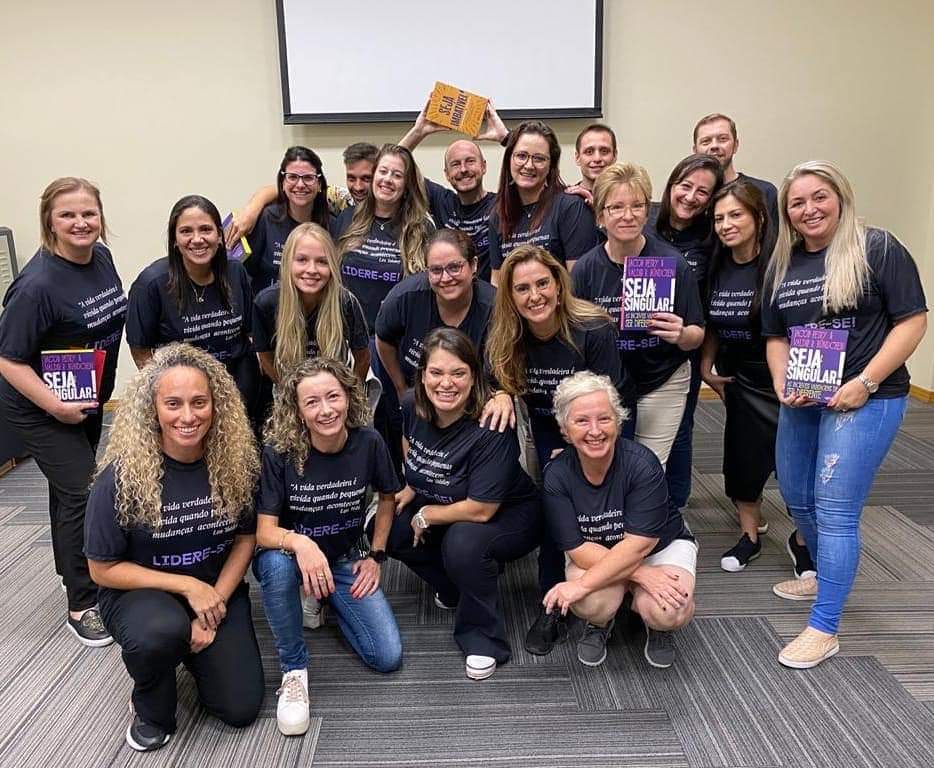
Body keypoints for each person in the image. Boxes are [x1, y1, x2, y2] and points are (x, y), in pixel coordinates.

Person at [761, 161, 927, 668]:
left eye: (819, 197)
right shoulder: (784, 263)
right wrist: (782, 382)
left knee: (836, 511)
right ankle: (823, 576)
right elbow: (776, 335)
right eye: (797, 202)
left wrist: (865, 382)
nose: (809, 209)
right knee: (796, 495)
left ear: (840, 198)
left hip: (867, 399)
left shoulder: (877, 248)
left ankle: (824, 626)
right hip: (805, 398)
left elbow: (912, 321)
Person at [85, 343, 264, 752]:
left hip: (215, 591)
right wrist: (187, 586)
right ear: (153, 408)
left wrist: (213, 603)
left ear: (216, 405)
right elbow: (101, 569)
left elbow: (245, 538)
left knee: (239, 707)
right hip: (141, 596)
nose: (188, 416)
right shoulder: (121, 477)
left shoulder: (234, 464)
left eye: (199, 402)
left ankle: (182, 646)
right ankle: (150, 704)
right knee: (159, 634)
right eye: (173, 403)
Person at [0, 177, 127, 647]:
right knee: (83, 491)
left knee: (67, 489)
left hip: (82, 397)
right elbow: (8, 359)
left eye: (88, 213)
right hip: (39, 406)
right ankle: (82, 603)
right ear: (49, 222)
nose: (80, 223)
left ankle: (66, 568)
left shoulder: (101, 258)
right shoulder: (36, 286)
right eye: (67, 215)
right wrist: (54, 405)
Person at [486, 245, 623, 656]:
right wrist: (500, 393)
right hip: (547, 431)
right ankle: (554, 603)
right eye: (522, 288)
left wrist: (579, 450)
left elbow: (612, 403)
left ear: (559, 285)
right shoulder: (507, 334)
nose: (535, 296)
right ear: (510, 297)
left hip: (599, 431)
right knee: (554, 510)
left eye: (543, 283)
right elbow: (494, 376)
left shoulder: (593, 329)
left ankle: (611, 596)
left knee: (597, 510)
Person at [254, 357, 403, 735]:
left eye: (333, 397)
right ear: (298, 411)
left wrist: (376, 556)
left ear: (349, 397)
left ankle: (323, 595)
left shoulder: (368, 441)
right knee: (275, 567)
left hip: (344, 557)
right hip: (289, 556)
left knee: (386, 656)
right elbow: (264, 532)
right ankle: (294, 670)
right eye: (312, 402)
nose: (325, 410)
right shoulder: (279, 451)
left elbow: (388, 497)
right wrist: (301, 544)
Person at [384, 328, 539, 680]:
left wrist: (426, 514)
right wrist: (412, 484)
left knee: (463, 542)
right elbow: (409, 442)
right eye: (436, 372)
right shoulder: (410, 404)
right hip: (448, 498)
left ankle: (483, 638)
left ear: (473, 377)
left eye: (458, 373)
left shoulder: (491, 423)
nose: (446, 383)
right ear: (422, 375)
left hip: (510, 513)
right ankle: (457, 585)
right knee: (389, 524)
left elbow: (481, 509)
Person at [542, 371, 697, 669]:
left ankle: (656, 625)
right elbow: (577, 548)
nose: (595, 431)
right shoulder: (557, 475)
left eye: (604, 418)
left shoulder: (643, 464)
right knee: (590, 602)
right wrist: (641, 575)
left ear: (618, 421)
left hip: (658, 547)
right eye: (581, 421)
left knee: (669, 610)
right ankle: (601, 622)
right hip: (596, 550)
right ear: (565, 429)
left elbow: (639, 546)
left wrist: (590, 582)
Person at [701, 180, 811, 573]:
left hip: (787, 379)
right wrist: (706, 366)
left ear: (759, 218)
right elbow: (712, 324)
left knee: (797, 465)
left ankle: (802, 540)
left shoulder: (785, 266)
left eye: (735, 215)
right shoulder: (717, 266)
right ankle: (749, 536)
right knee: (743, 463)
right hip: (741, 381)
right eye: (719, 219)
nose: (726, 225)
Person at [573, 163, 705, 466]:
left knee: (648, 466)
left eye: (637, 205)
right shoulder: (585, 269)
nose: (628, 215)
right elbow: (574, 334)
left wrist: (681, 334)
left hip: (662, 377)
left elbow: (697, 334)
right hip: (607, 382)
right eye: (616, 207)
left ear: (647, 212)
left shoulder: (673, 263)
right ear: (601, 216)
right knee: (608, 463)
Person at [126, 195, 258, 414]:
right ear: (174, 240)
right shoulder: (151, 283)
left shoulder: (235, 271)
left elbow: (251, 331)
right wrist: (164, 392)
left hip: (239, 388)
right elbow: (140, 350)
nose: (197, 239)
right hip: (184, 395)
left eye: (206, 229)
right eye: (186, 231)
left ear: (219, 235)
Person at [650, 154, 723, 510]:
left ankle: (676, 505)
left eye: (703, 192)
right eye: (685, 186)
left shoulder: (712, 239)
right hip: (634, 346)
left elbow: (711, 309)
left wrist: (705, 360)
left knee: (680, 428)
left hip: (685, 349)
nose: (691, 197)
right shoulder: (644, 221)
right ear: (671, 185)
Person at [376, 228, 495, 400]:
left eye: (455, 267)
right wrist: (401, 388)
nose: (445, 278)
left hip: (477, 400)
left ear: (474, 264)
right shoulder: (405, 297)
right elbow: (383, 337)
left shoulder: (494, 307)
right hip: (418, 396)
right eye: (436, 270)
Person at [399, 100, 509, 281]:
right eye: (456, 164)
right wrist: (418, 132)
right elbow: (395, 166)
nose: (463, 169)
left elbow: (532, 168)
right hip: (448, 288)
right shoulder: (441, 200)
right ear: (447, 174)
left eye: (470, 161)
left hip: (490, 293)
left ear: (483, 166)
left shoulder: (502, 203)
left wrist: (505, 138)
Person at [253, 223, 370, 385]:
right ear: (287, 262)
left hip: (336, 387)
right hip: (288, 387)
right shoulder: (266, 303)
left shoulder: (345, 302)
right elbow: (265, 356)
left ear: (332, 266)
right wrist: (288, 390)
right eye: (302, 260)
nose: (312, 269)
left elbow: (363, 357)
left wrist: (350, 394)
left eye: (322, 261)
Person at [489, 121, 600, 285]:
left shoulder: (570, 207)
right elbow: (497, 282)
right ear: (509, 159)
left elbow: (579, 284)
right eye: (521, 156)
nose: (529, 165)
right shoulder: (499, 215)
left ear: (551, 165)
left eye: (539, 159)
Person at [224, 143, 377, 257]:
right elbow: (287, 191)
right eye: (351, 178)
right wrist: (251, 210)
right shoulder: (267, 219)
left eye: (366, 178)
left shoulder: (336, 218)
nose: (358, 186)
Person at [693, 113, 779, 256]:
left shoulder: (764, 192)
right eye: (706, 141)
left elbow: (777, 248)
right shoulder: (691, 199)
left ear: (735, 145)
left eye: (722, 139)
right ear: (695, 151)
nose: (714, 146)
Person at [565, 123, 619, 206]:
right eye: (589, 152)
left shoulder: (630, 197)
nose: (597, 158)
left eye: (604, 151)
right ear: (577, 158)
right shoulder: (565, 201)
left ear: (615, 156)